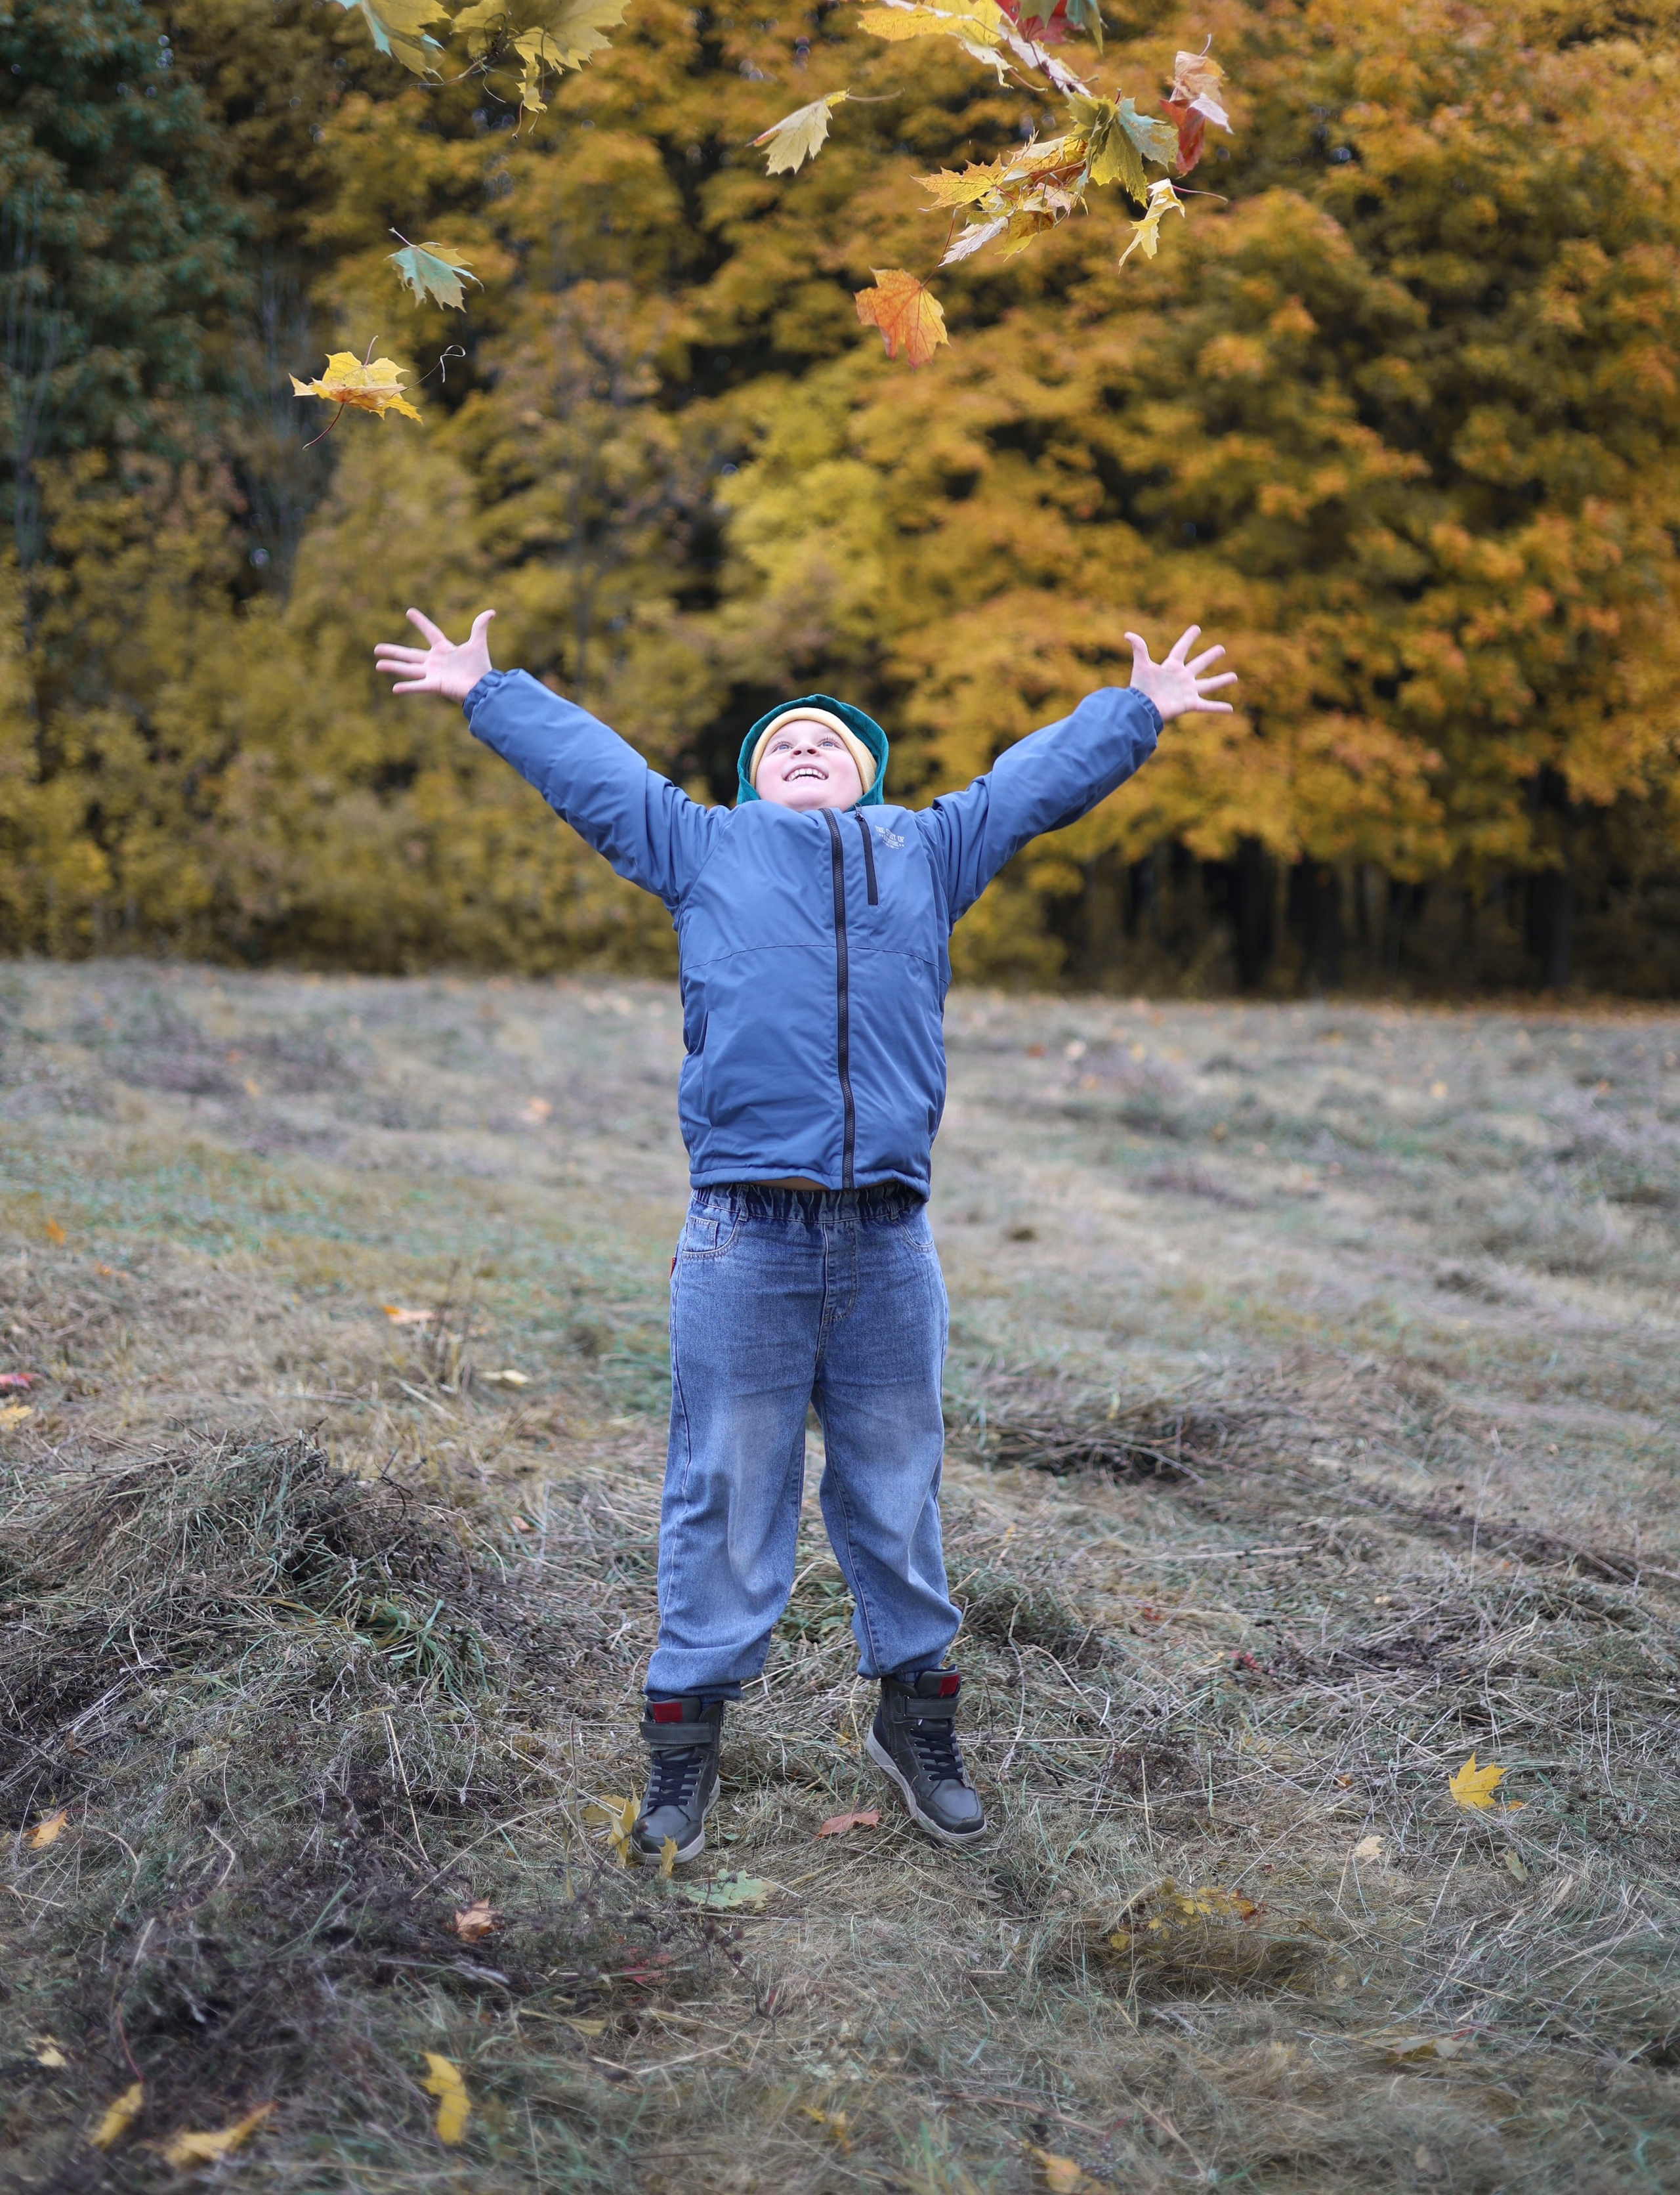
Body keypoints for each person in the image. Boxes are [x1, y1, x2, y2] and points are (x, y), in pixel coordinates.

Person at [373, 607, 1236, 1857]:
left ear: (871, 778)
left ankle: (916, 1720)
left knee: (896, 1492)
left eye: (833, 739)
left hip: (888, 1241)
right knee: (723, 1486)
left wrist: (1134, 712)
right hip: (744, 1234)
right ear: (751, 782)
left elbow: (1027, 785)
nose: (810, 745)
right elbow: (598, 771)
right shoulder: (703, 848)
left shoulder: (928, 851)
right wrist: (485, 688)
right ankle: (683, 1754)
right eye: (785, 741)